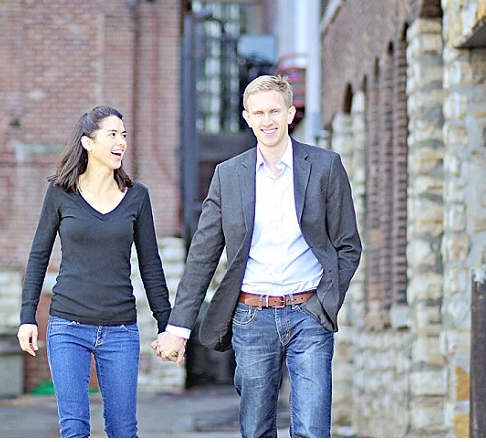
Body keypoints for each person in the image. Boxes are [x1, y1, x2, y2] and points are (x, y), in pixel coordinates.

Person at [152, 75, 362, 437]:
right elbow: (203, 255)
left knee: (312, 429)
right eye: (259, 113)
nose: (267, 120)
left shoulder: (325, 167)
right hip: (252, 318)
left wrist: (326, 302)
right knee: (256, 430)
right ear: (247, 117)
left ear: (290, 113)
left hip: (309, 314)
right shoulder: (228, 176)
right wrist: (177, 328)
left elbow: (348, 245)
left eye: (274, 111)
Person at [18, 105, 171, 438]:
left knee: (123, 430)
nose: (121, 142)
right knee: (74, 428)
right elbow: (39, 255)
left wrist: (167, 325)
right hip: (68, 326)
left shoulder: (137, 197)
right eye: (112, 134)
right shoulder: (61, 193)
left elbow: (151, 265)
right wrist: (27, 317)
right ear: (88, 143)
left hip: (120, 331)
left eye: (124, 135)